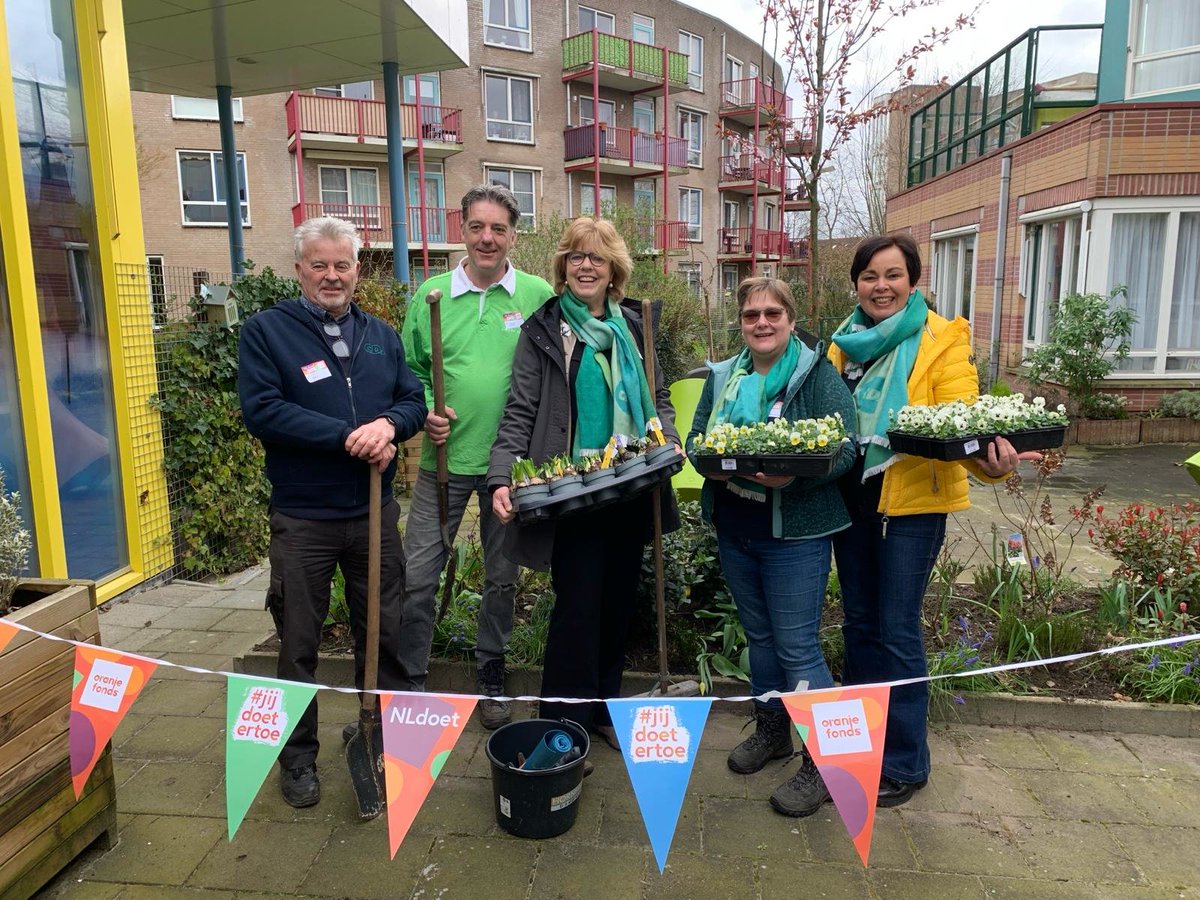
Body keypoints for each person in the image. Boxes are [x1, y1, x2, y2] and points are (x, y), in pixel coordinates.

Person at [827, 233, 1036, 808]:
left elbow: (964, 424)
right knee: (860, 624)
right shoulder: (842, 345)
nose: (881, 286)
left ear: (913, 282)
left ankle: (904, 763)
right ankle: (859, 747)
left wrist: (994, 465)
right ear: (857, 284)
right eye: (870, 276)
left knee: (896, 629)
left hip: (911, 506)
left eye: (893, 275)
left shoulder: (942, 340)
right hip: (851, 504)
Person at [238, 216, 426, 808]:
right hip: (305, 518)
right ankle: (298, 759)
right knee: (297, 640)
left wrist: (389, 425)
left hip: (374, 514)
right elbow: (263, 410)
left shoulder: (382, 336)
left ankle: (381, 739)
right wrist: (351, 436)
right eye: (319, 264)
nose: (331, 276)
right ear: (298, 270)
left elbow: (412, 399)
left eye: (342, 265)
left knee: (384, 631)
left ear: (357, 270)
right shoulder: (268, 332)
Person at [488, 216, 680, 749]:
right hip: (571, 491)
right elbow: (521, 410)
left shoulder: (636, 325)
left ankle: (601, 710)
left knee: (618, 601)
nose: (586, 265)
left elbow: (657, 397)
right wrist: (502, 478)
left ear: (614, 268)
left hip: (631, 484)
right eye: (576, 256)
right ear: (563, 267)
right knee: (577, 606)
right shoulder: (544, 329)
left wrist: (669, 437)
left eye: (596, 257)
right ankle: (563, 721)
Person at [688, 276, 857, 817]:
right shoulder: (724, 377)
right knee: (759, 641)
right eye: (751, 315)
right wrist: (703, 455)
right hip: (737, 527)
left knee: (798, 649)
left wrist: (796, 479)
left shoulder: (816, 375)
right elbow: (697, 442)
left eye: (772, 313)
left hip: (796, 536)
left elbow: (846, 448)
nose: (761, 323)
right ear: (740, 323)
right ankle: (772, 733)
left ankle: (826, 766)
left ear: (789, 318)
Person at [398, 185, 553, 729]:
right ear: (461, 229)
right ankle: (412, 677)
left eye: (499, 228)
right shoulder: (432, 295)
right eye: (477, 227)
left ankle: (491, 670)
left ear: (514, 234)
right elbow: (410, 372)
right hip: (444, 463)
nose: (487, 238)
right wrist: (423, 410)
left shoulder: (535, 295)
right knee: (419, 573)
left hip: (511, 469)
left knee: (501, 576)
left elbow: (554, 374)